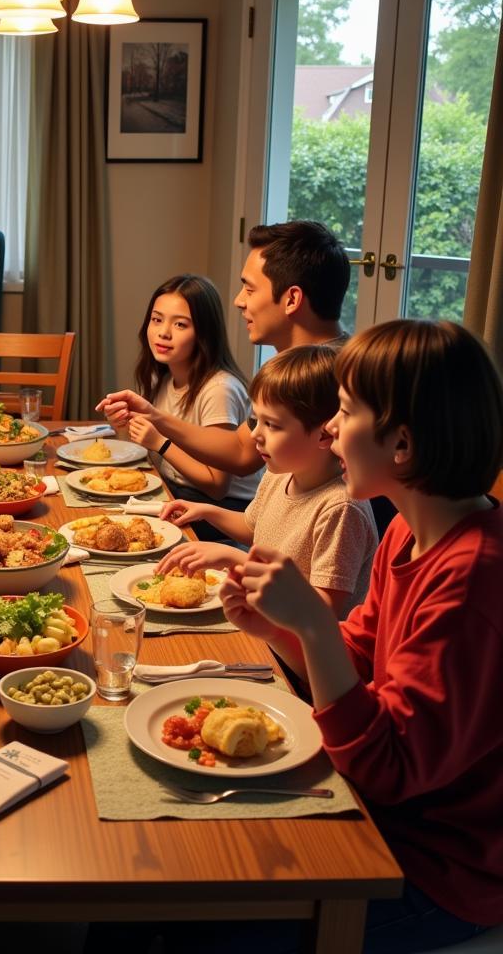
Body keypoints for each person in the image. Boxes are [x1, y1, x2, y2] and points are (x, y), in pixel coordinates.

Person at [195, 319, 501, 953]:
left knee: (204, 917)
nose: (330, 429)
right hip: (381, 808)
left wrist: (308, 620)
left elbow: (389, 767)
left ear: (402, 445)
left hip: (442, 867)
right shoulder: (408, 533)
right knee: (187, 860)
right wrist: (273, 627)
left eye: (344, 410)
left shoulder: (473, 580)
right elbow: (356, 656)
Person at [97, 220, 350, 479]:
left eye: (250, 289)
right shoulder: (308, 362)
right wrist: (155, 416)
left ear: (292, 299)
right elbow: (241, 447)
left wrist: (158, 429)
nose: (238, 301)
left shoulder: (329, 374)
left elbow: (241, 458)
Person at [157, 345, 376, 617]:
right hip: (266, 617)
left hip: (300, 651)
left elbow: (324, 611)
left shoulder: (340, 509)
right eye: (255, 421)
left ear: (324, 435)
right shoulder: (279, 472)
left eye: (271, 425)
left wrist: (237, 559)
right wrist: (206, 512)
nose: (255, 435)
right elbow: (253, 527)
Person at [115, 275, 261, 542]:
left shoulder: (219, 390)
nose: (163, 332)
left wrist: (160, 442)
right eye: (156, 319)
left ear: (204, 332)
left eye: (180, 324)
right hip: (178, 494)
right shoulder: (164, 377)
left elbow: (216, 486)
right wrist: (124, 425)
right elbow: (146, 453)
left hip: (224, 513)